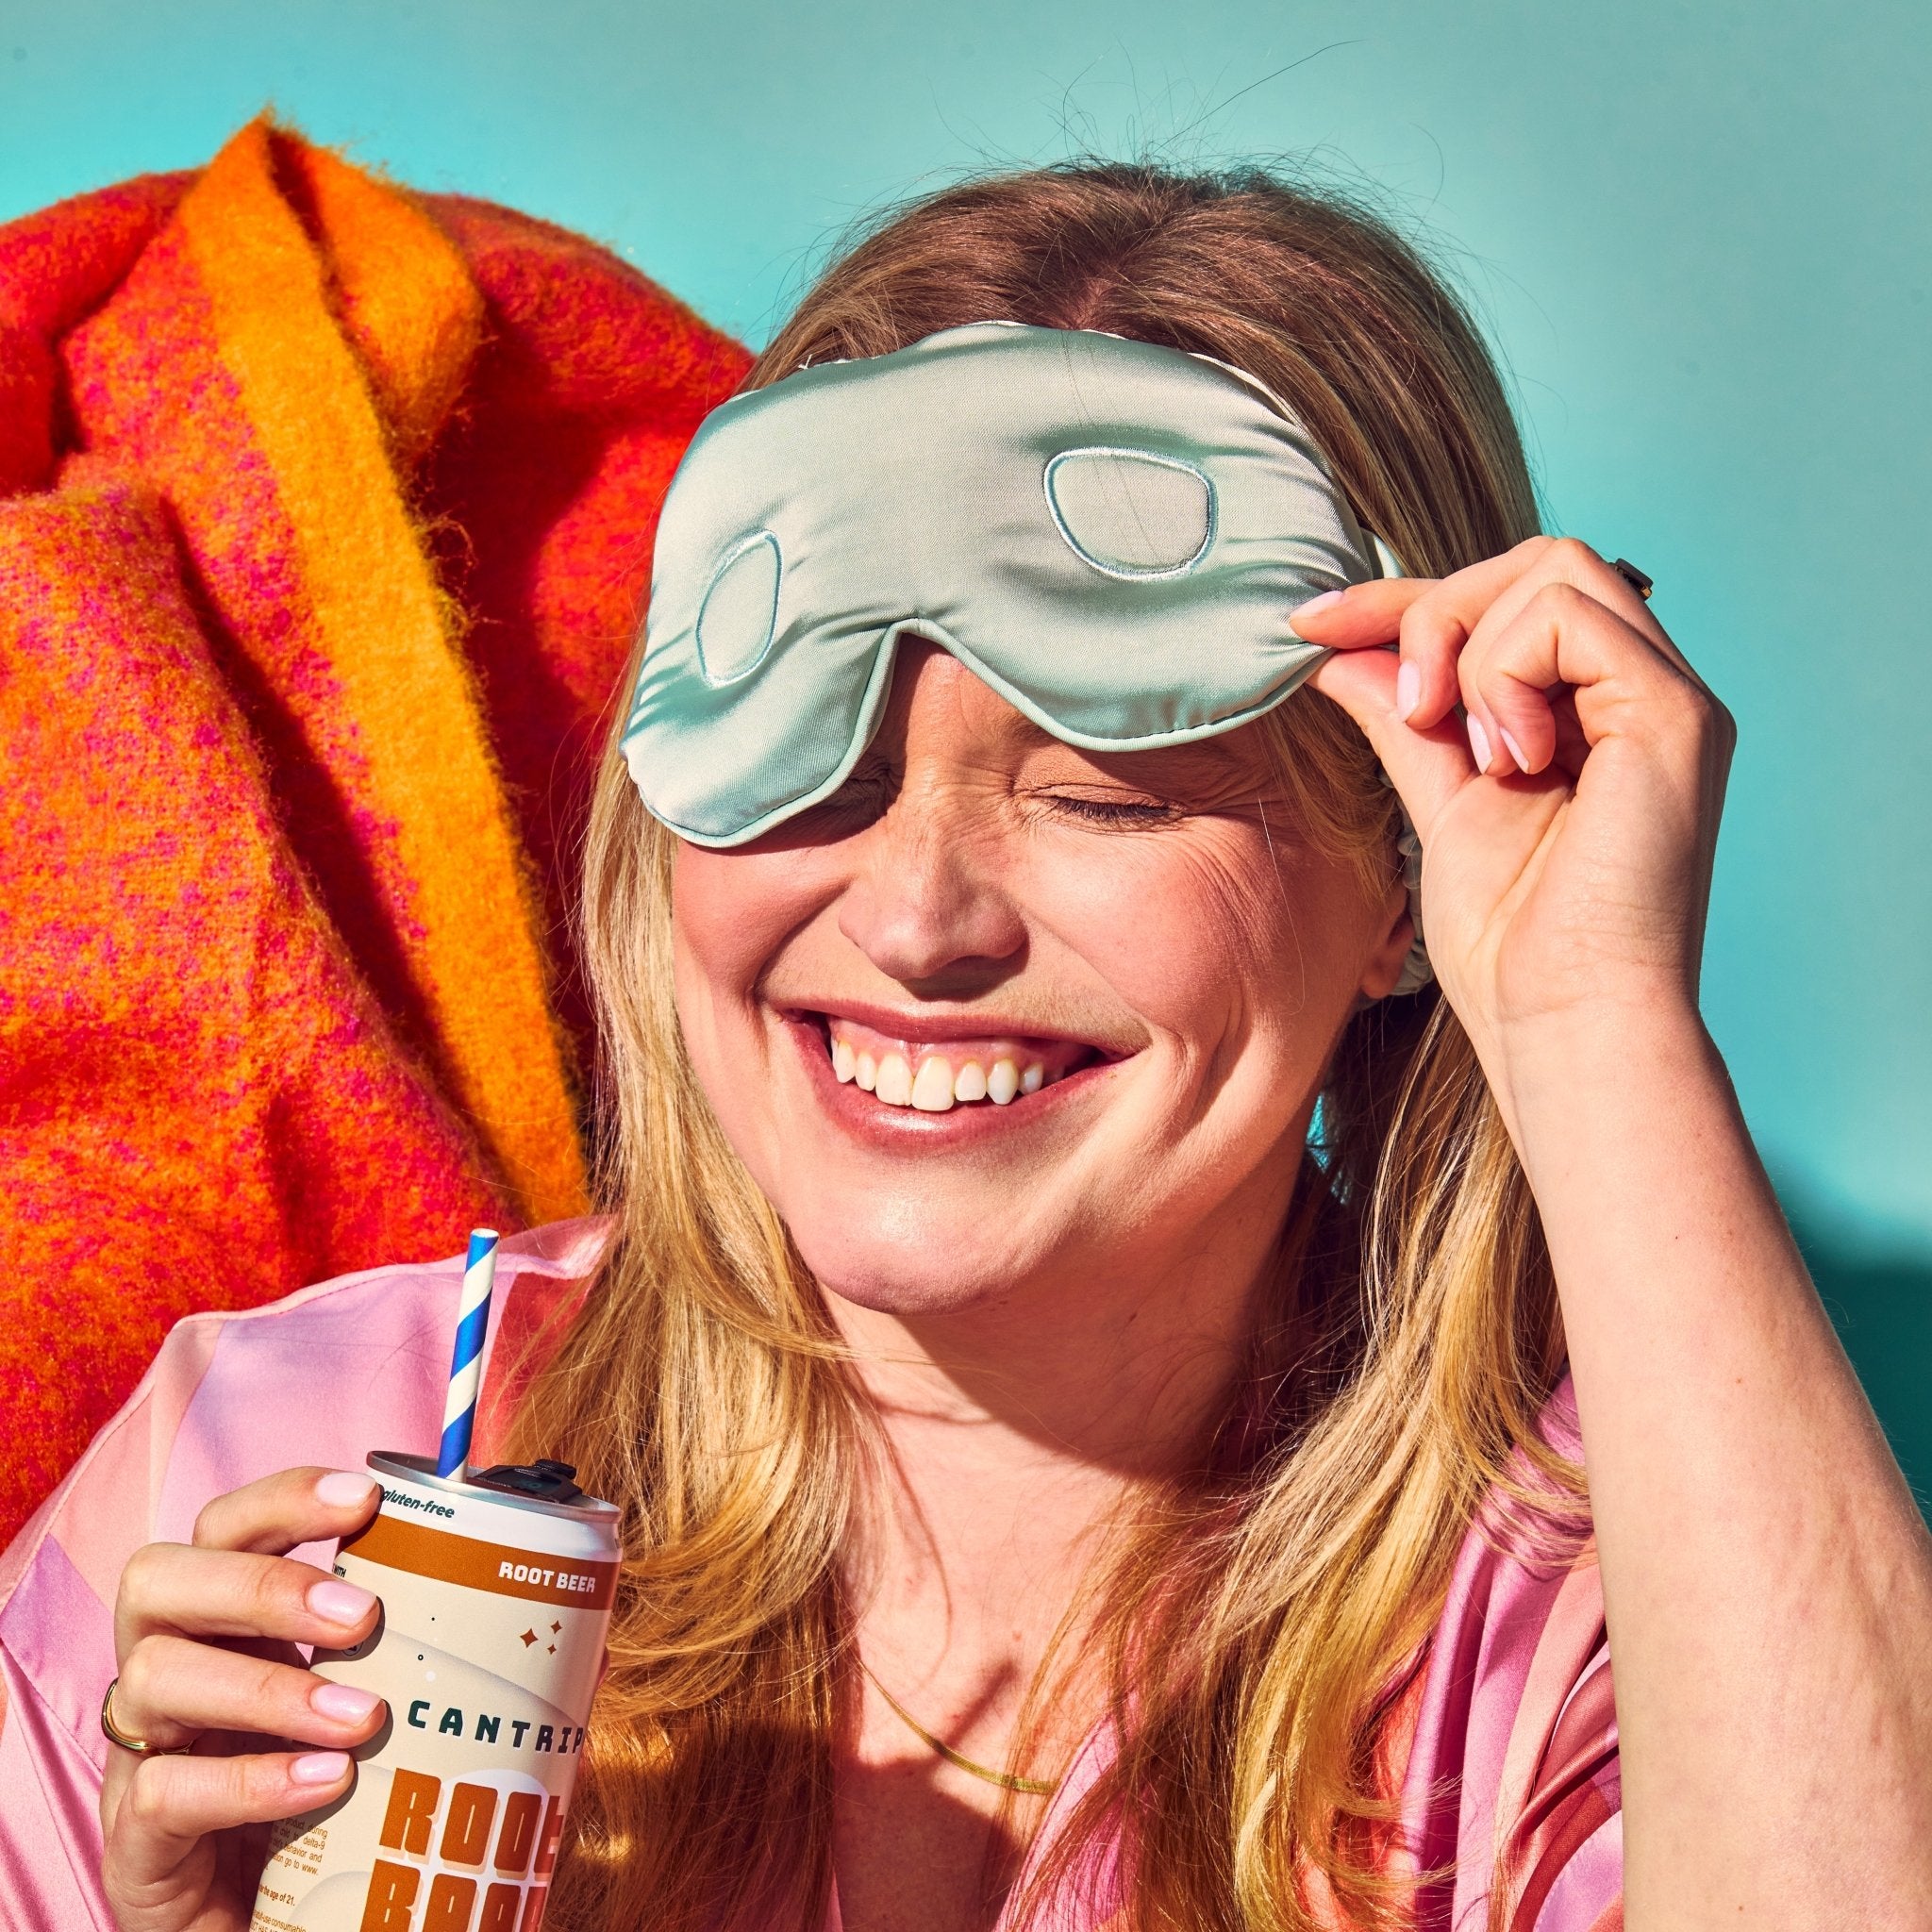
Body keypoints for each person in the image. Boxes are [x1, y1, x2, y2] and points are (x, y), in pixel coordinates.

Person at [4, 163, 1929, 1932]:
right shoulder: (269, 1485)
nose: (920, 922)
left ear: (1397, 884)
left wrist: (1592, 1013)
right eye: (810, 762)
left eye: (1103, 791)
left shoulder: (1607, 1618)